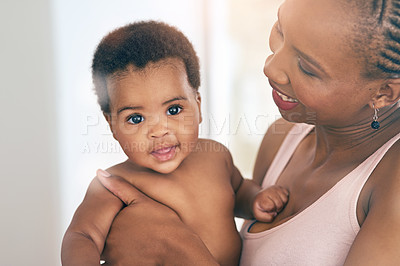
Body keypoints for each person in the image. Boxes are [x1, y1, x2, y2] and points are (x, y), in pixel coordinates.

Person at [95, 0, 400, 265]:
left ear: (384, 93)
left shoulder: (391, 186)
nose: (271, 67)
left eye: (307, 68)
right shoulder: (284, 136)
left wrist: (177, 248)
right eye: (280, 29)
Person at [61, 20, 290, 266]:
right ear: (112, 125)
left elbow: (236, 191)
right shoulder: (114, 185)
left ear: (199, 106)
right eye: (136, 118)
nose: (159, 131)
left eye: (174, 109)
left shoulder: (215, 157)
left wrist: (255, 199)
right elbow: (82, 235)